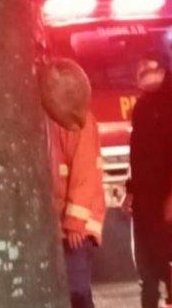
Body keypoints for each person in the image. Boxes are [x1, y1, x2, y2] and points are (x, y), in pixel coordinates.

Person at [123, 48, 172, 308]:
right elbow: (137, 155)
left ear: (163, 70)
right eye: (140, 72)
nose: (143, 76)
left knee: (171, 267)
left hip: (164, 200)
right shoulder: (142, 107)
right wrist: (131, 190)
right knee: (147, 271)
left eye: (148, 70)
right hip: (146, 201)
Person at [41, 58, 106, 308]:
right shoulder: (57, 114)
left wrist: (75, 222)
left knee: (77, 292)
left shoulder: (77, 119)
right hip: (63, 225)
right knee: (71, 293)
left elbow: (86, 171)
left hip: (76, 230)